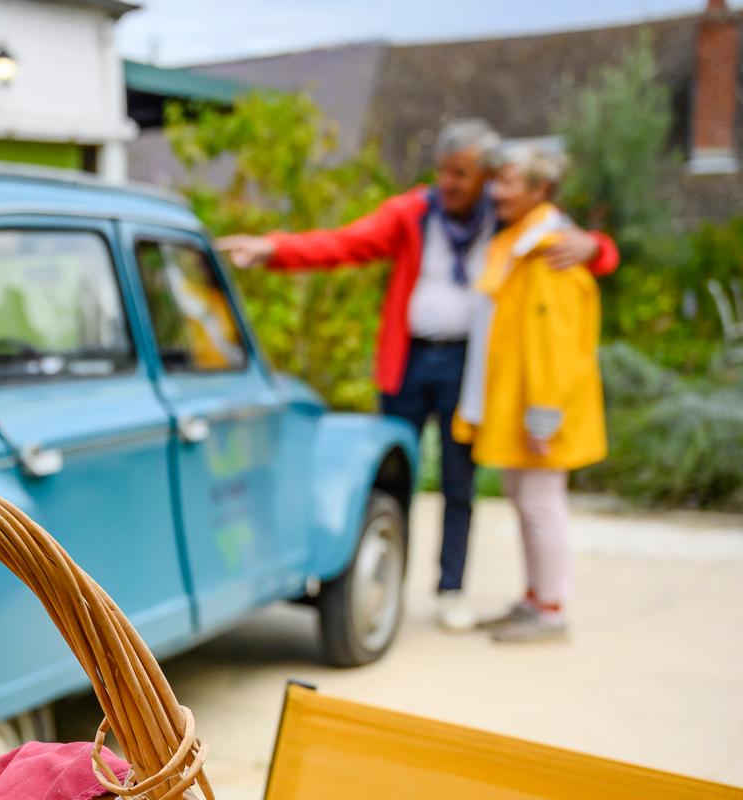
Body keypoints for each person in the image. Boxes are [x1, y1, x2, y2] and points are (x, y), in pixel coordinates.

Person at [216, 119, 618, 632]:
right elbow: (346, 243)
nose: (448, 182)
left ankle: (451, 589)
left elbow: (576, 245)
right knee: (392, 477)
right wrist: (274, 248)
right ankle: (384, 584)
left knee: (458, 484)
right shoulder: (414, 213)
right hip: (408, 363)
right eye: (443, 171)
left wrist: (598, 247)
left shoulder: (508, 222)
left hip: (467, 371)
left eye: (463, 173)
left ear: (488, 177)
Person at [454, 143, 605, 642]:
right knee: (525, 497)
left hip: (539, 407)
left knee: (541, 501)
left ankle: (552, 611)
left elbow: (554, 344)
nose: (497, 191)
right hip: (517, 400)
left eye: (510, 182)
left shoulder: (549, 253)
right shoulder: (521, 242)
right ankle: (535, 598)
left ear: (541, 189)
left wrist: (544, 414)